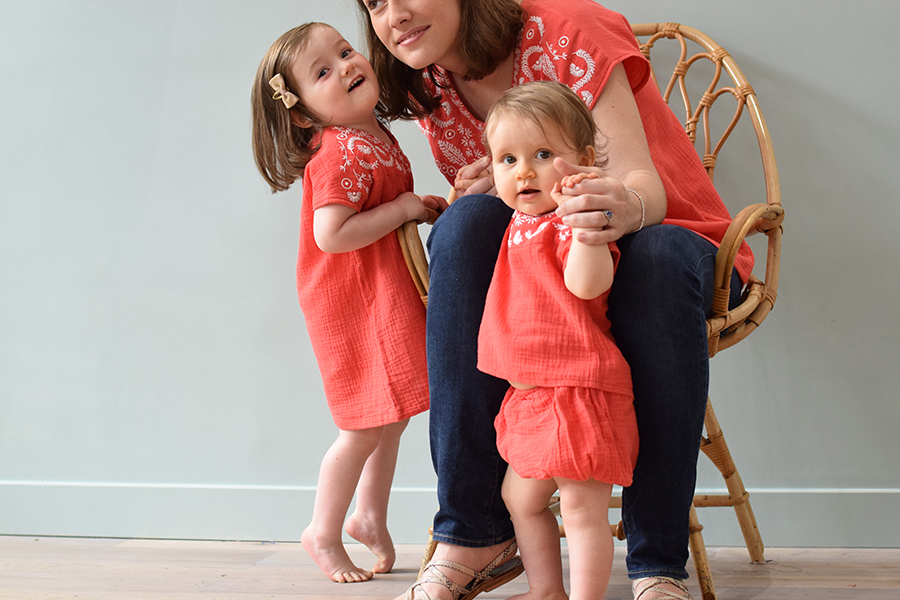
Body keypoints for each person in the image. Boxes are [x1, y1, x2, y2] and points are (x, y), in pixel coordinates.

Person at [355, 1, 753, 599]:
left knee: (655, 259)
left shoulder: (565, 29)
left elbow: (643, 186)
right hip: (553, 284)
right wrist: (503, 179)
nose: (394, 14)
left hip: (673, 243)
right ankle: (474, 532)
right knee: (464, 226)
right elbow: (513, 207)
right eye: (373, 1)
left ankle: (657, 563)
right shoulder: (431, 80)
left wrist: (608, 210)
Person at [250, 22, 446, 584]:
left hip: (381, 293)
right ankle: (323, 530)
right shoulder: (341, 150)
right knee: (362, 426)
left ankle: (368, 515)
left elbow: (381, 211)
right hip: (354, 305)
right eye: (321, 71)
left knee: (393, 415)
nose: (344, 65)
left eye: (343, 51)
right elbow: (331, 234)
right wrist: (406, 207)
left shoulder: (373, 134)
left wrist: (417, 205)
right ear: (303, 115)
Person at [478, 81, 639, 600]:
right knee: (518, 498)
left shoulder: (572, 224)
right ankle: (547, 591)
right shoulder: (518, 221)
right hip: (530, 396)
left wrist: (589, 228)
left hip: (576, 389)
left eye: (543, 155)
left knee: (581, 507)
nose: (523, 171)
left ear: (584, 163)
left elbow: (588, 285)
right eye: (507, 159)